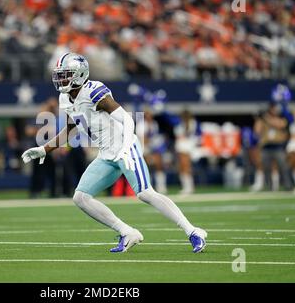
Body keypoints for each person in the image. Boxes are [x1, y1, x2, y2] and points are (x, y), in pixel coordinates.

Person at [22, 53, 207, 253]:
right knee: (81, 197)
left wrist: (127, 146)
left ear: (80, 74)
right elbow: (70, 128)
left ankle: (193, 231)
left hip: (125, 147)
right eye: (59, 75)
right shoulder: (65, 98)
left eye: (66, 75)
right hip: (106, 154)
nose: (61, 79)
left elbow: (127, 120)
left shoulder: (93, 92)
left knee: (145, 193)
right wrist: (44, 149)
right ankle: (127, 232)